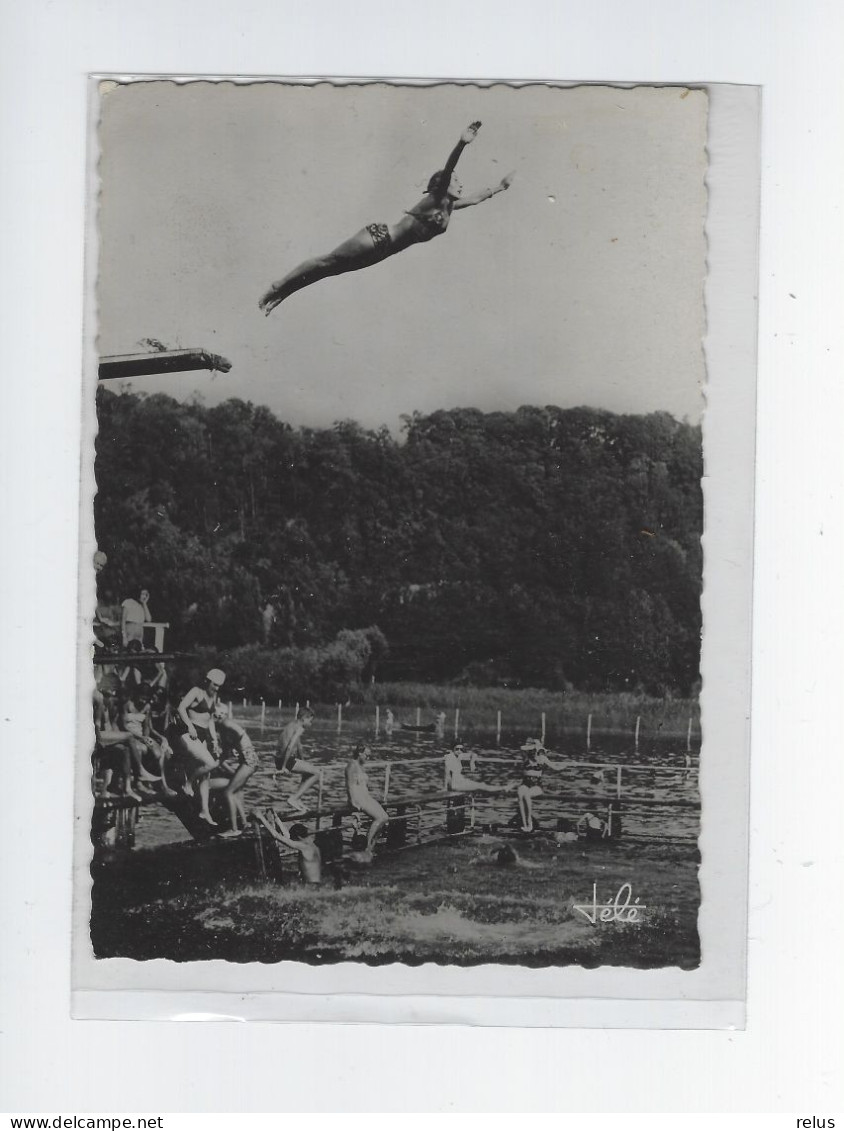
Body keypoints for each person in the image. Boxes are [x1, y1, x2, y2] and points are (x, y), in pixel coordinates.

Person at [259, 121, 514, 315]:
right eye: (456, 182)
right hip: (379, 237)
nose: (460, 185)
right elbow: (449, 169)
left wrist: (501, 187)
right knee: (328, 262)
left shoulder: (448, 209)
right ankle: (279, 285)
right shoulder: (436, 199)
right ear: (442, 185)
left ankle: (284, 294)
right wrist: (462, 143)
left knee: (332, 271)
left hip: (384, 251)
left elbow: (477, 198)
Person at [176, 669, 226, 825]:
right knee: (210, 764)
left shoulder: (214, 696)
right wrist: (189, 726)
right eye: (214, 685)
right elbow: (181, 708)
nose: (216, 688)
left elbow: (210, 720)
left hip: (203, 736)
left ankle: (205, 811)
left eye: (219, 686)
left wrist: (215, 742)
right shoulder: (196, 691)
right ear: (207, 681)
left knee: (206, 775)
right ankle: (188, 783)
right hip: (189, 734)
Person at [211, 704, 259, 836]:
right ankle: (244, 824)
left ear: (219, 715)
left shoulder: (226, 724)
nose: (212, 718)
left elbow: (239, 732)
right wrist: (214, 763)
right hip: (249, 761)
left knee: (228, 793)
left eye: (213, 715)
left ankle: (234, 829)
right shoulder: (223, 728)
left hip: (249, 762)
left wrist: (237, 739)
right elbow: (226, 754)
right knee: (236, 791)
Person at [254, 810, 322, 884]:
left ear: (299, 838)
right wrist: (277, 818)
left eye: (294, 840)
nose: (294, 842)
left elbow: (276, 835)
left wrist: (261, 817)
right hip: (316, 884)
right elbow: (287, 837)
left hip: (310, 886)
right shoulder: (312, 845)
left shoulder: (303, 846)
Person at [345, 743, 388, 860]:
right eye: (366, 755)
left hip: (366, 796)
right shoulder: (351, 765)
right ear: (360, 753)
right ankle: (366, 847)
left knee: (385, 817)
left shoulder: (361, 765)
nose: (368, 758)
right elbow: (349, 785)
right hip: (357, 798)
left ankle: (371, 847)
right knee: (379, 818)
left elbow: (364, 784)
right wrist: (352, 801)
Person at [517, 737, 567, 833]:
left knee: (526, 795)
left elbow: (555, 767)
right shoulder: (526, 756)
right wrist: (534, 745)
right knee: (520, 793)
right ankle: (524, 824)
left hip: (536, 785)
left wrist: (568, 765)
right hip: (525, 783)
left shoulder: (542, 758)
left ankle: (529, 823)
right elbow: (521, 748)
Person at [274, 707, 319, 813]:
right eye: (310, 721)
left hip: (280, 758)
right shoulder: (299, 728)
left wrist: (303, 762)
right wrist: (284, 767)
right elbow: (290, 747)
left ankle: (298, 799)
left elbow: (299, 747)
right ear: (304, 718)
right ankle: (294, 798)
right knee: (318, 773)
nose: (311, 724)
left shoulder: (292, 725)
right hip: (286, 760)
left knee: (308, 772)